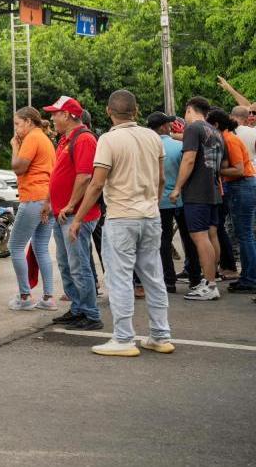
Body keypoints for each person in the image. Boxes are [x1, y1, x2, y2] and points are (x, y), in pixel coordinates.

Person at [69, 90, 173, 357]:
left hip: (121, 217)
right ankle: (160, 335)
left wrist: (78, 218)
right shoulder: (153, 137)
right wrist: (153, 203)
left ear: (108, 112)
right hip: (150, 215)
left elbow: (97, 183)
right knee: (153, 277)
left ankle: (124, 338)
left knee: (119, 279)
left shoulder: (108, 140)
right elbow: (161, 179)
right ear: (136, 111)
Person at [45, 98, 103, 331]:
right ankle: (78, 308)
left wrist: (70, 205)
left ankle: (90, 314)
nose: (52, 118)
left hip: (76, 215)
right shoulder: (66, 139)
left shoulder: (84, 139)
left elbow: (85, 176)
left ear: (68, 115)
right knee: (67, 264)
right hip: (63, 214)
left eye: (55, 114)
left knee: (78, 265)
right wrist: (52, 202)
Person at [171, 96, 225, 301]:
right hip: (213, 190)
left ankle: (210, 285)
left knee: (199, 237)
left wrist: (177, 187)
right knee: (212, 236)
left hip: (197, 192)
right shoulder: (216, 132)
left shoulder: (194, 129)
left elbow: (189, 158)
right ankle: (211, 279)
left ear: (189, 111)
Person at [7, 105, 57, 311]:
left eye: (18, 124)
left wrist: (14, 146)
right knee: (41, 247)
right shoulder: (44, 139)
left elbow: (18, 167)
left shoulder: (32, 138)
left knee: (15, 247)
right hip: (47, 198)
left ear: (28, 122)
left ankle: (25, 295)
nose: (17, 129)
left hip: (33, 197)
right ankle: (48, 297)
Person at [150, 112, 200, 294]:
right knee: (189, 239)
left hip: (160, 201)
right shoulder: (179, 146)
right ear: (164, 126)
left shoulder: (149, 147)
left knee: (163, 241)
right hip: (181, 199)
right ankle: (195, 278)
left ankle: (168, 281)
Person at [208, 108, 256, 293]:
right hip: (241, 187)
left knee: (245, 236)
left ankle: (250, 279)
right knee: (243, 235)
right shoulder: (227, 138)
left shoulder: (229, 140)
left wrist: (214, 170)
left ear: (216, 125)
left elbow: (238, 170)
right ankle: (247, 276)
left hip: (242, 186)